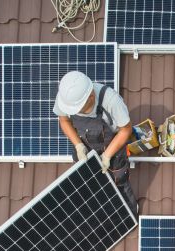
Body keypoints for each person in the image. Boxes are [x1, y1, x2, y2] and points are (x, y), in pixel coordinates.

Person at [54, 70, 138, 213]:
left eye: (79, 109)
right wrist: (78, 145)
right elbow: (63, 120)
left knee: (119, 179)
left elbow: (126, 129)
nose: (76, 112)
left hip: (112, 146)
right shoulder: (67, 98)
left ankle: (128, 212)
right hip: (84, 146)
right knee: (89, 181)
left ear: (91, 97)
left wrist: (106, 156)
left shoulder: (111, 101)